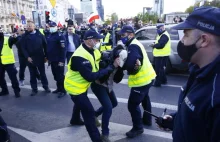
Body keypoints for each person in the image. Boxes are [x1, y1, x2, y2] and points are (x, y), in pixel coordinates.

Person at [156, 7, 220, 142]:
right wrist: (176, 120)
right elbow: (198, 119)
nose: (182, 41)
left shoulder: (216, 96)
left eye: (186, 35)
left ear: (204, 40)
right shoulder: (198, 69)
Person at [64, 29, 119, 142]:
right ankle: (97, 139)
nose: (99, 41)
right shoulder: (79, 57)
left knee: (80, 104)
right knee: (88, 113)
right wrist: (109, 69)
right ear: (89, 41)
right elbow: (90, 77)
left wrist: (113, 54)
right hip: (75, 88)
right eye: (97, 39)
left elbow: (101, 56)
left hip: (82, 86)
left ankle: (74, 120)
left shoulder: (92, 50)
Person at [118, 25, 156, 138]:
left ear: (131, 35)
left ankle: (138, 128)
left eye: (123, 35)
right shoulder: (135, 43)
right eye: (121, 35)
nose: (121, 37)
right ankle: (147, 120)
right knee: (145, 99)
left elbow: (130, 65)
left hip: (141, 81)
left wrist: (121, 65)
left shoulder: (133, 46)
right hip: (149, 77)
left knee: (132, 105)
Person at [91, 45, 126, 142]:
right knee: (108, 107)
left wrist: (121, 69)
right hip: (98, 85)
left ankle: (94, 115)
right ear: (116, 57)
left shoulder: (121, 61)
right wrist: (112, 66)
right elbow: (101, 77)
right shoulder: (105, 60)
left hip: (108, 86)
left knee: (114, 103)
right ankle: (105, 134)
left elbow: (117, 80)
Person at [21, 20, 51, 96]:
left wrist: (46, 56)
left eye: (30, 26)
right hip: (30, 59)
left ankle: (46, 87)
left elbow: (45, 46)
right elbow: (23, 48)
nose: (28, 27)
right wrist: (27, 57)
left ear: (34, 27)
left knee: (43, 74)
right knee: (32, 75)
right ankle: (34, 89)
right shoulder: (24, 36)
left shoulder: (40, 35)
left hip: (40, 57)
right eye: (27, 26)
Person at [46, 21, 67, 98]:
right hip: (52, 59)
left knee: (60, 76)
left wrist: (62, 60)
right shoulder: (50, 35)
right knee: (55, 75)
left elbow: (63, 49)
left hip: (59, 60)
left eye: (53, 27)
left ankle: (63, 90)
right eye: (50, 27)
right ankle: (58, 88)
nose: (51, 28)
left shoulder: (60, 36)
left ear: (56, 27)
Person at [0, 28, 21, 98]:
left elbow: (17, 42)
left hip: (9, 62)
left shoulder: (7, 38)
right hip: (0, 63)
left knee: (13, 78)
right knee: (0, 78)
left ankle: (16, 91)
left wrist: (16, 37)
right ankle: (4, 90)